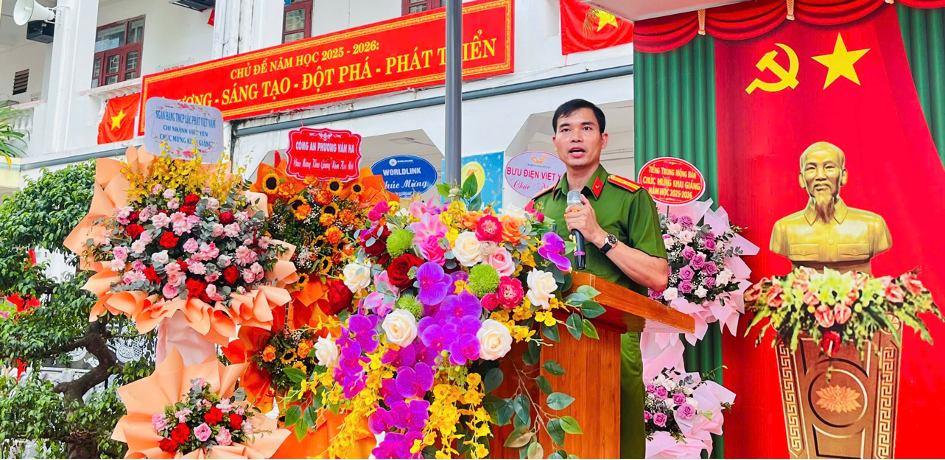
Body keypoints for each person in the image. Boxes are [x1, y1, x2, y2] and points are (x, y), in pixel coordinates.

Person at [531, 99, 669, 459]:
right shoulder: (539, 207)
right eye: (566, 130)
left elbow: (658, 277)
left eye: (586, 128)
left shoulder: (630, 198)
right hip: (550, 342)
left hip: (613, 342)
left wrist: (598, 236)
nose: (576, 137)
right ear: (555, 142)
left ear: (603, 139)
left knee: (616, 441)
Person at [770, 141, 891, 275]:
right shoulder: (784, 228)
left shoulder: (873, 225)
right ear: (802, 179)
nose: (820, 176)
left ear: (843, 176)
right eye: (811, 168)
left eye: (829, 167)